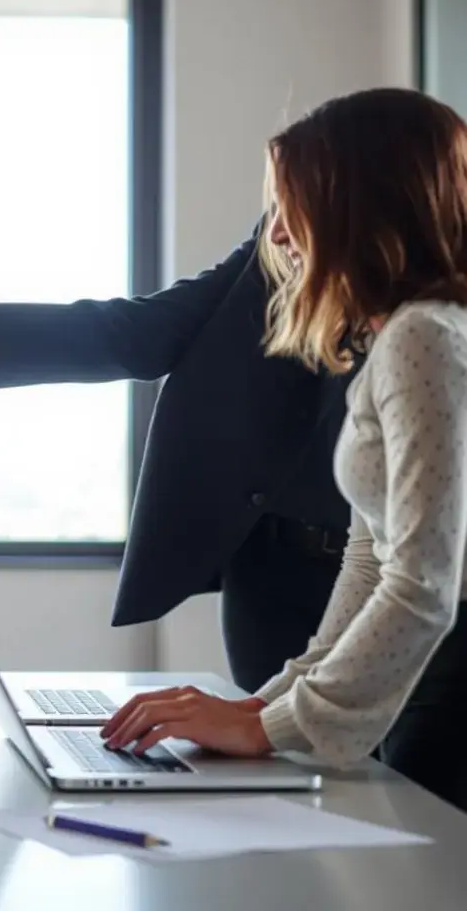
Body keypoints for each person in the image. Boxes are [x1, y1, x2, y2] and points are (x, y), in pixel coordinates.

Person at [99, 87, 467, 812]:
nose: (277, 238)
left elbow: (424, 579)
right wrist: (265, 706)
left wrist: (274, 727)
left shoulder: (425, 339)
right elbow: (371, 553)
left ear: (361, 210)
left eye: (294, 208)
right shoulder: (393, 335)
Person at [0, 239, 357, 698]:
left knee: (413, 788)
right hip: (272, 573)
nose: (281, 229)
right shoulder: (286, 231)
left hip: (395, 569)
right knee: (288, 781)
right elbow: (150, 329)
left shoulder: (426, 304)